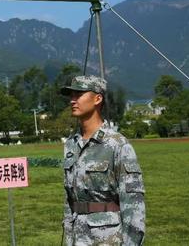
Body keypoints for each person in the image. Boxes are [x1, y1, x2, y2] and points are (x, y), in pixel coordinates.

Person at [61, 75, 146, 245]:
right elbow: (69, 198)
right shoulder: (71, 143)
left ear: (97, 98)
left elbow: (133, 203)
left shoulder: (117, 144)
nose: (72, 100)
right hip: (76, 236)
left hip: (107, 237)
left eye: (79, 94)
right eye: (71, 95)